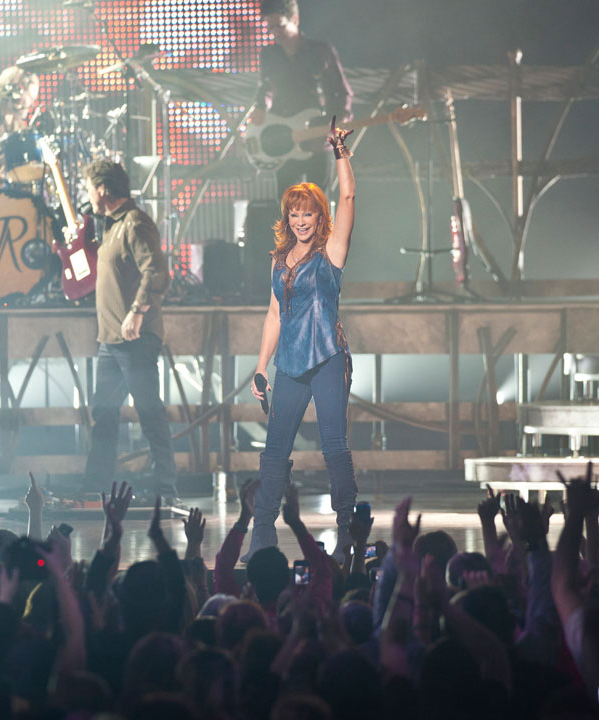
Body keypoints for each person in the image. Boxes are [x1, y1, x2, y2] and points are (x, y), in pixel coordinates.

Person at [246, 120, 355, 562]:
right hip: (289, 364)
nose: (301, 220)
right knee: (274, 452)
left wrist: (340, 152)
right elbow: (274, 314)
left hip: (327, 357)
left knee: (334, 445)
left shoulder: (332, 251)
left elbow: (348, 197)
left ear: (319, 216)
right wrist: (260, 366)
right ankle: (261, 538)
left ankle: (348, 532)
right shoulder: (277, 260)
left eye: (308, 213)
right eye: (294, 213)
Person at [81, 158, 180, 505]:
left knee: (150, 413)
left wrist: (137, 312)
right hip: (110, 341)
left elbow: (156, 272)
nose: (88, 195)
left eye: (90, 188)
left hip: (135, 338)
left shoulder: (135, 223)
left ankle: (166, 491)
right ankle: (96, 490)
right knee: (104, 416)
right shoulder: (109, 227)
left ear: (103, 190)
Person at [254, 0, 353, 193]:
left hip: (317, 137)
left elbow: (342, 92)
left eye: (280, 26)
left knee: (317, 203)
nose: (275, 33)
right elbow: (265, 87)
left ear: (295, 19)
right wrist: (260, 106)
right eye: (270, 27)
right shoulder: (269, 54)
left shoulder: (321, 52)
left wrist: (339, 119)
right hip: (283, 136)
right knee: (287, 204)